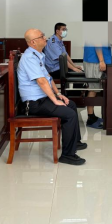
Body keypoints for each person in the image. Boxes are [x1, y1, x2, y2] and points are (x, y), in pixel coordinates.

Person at [18, 28, 86, 165]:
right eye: (42, 36)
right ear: (33, 42)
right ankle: (67, 155)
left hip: (42, 98)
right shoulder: (29, 58)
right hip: (33, 103)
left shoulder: (38, 55)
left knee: (71, 104)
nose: (45, 38)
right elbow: (41, 81)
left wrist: (59, 94)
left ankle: (75, 142)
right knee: (69, 114)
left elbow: (48, 78)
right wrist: (55, 100)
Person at [82, 45, 111, 129]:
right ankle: (90, 119)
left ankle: (92, 116)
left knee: (95, 89)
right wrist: (101, 61)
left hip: (95, 59)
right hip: (94, 61)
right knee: (93, 89)